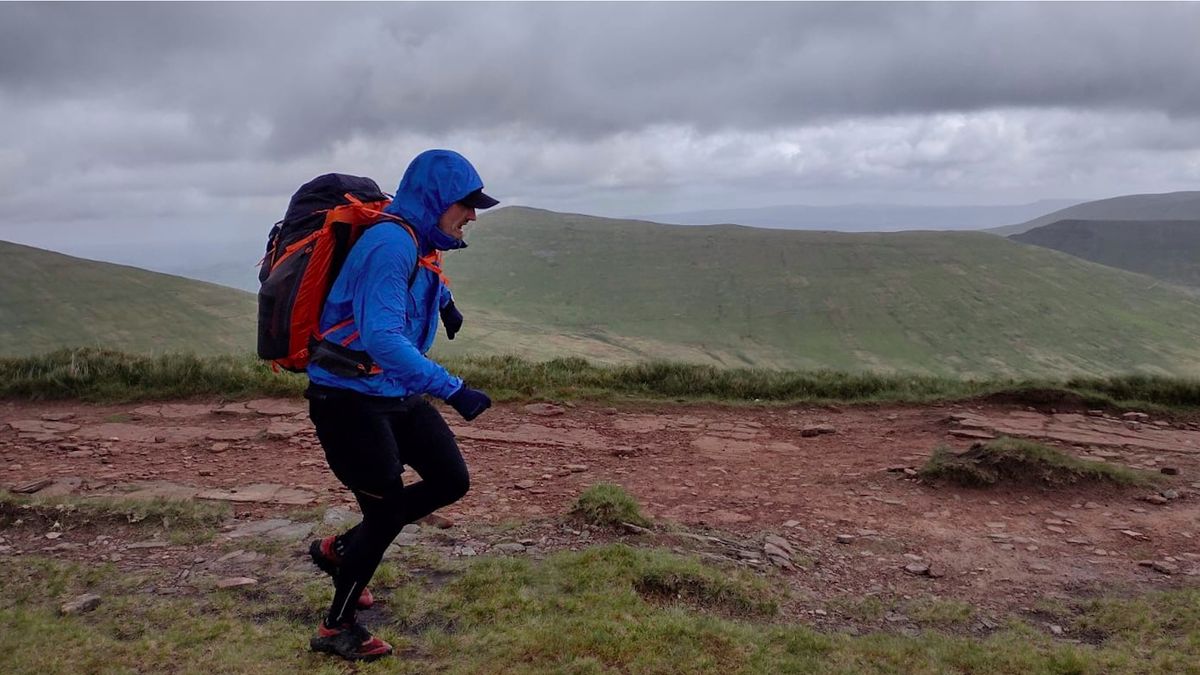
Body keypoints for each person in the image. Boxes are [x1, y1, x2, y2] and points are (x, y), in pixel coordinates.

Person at [303, 149, 498, 662]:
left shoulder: (419, 239)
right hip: (347, 398)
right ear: (436, 200)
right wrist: (454, 389)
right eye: (467, 204)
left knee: (450, 479)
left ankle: (341, 549)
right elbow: (383, 337)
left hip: (392, 393)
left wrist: (446, 304)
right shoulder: (390, 242)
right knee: (386, 511)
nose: (473, 215)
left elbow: (419, 280)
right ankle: (335, 627)